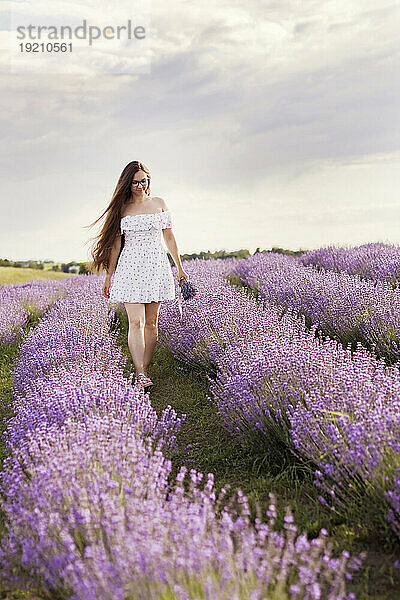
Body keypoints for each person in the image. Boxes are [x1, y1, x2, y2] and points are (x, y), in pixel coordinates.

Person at [86, 160, 189, 390]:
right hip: (130, 267)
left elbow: (169, 238)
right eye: (134, 182)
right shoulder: (121, 209)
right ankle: (141, 374)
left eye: (143, 181)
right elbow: (114, 246)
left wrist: (180, 268)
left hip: (156, 265)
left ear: (148, 180)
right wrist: (109, 276)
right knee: (136, 321)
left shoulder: (159, 203)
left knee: (152, 323)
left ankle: (144, 367)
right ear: (127, 183)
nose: (139, 186)